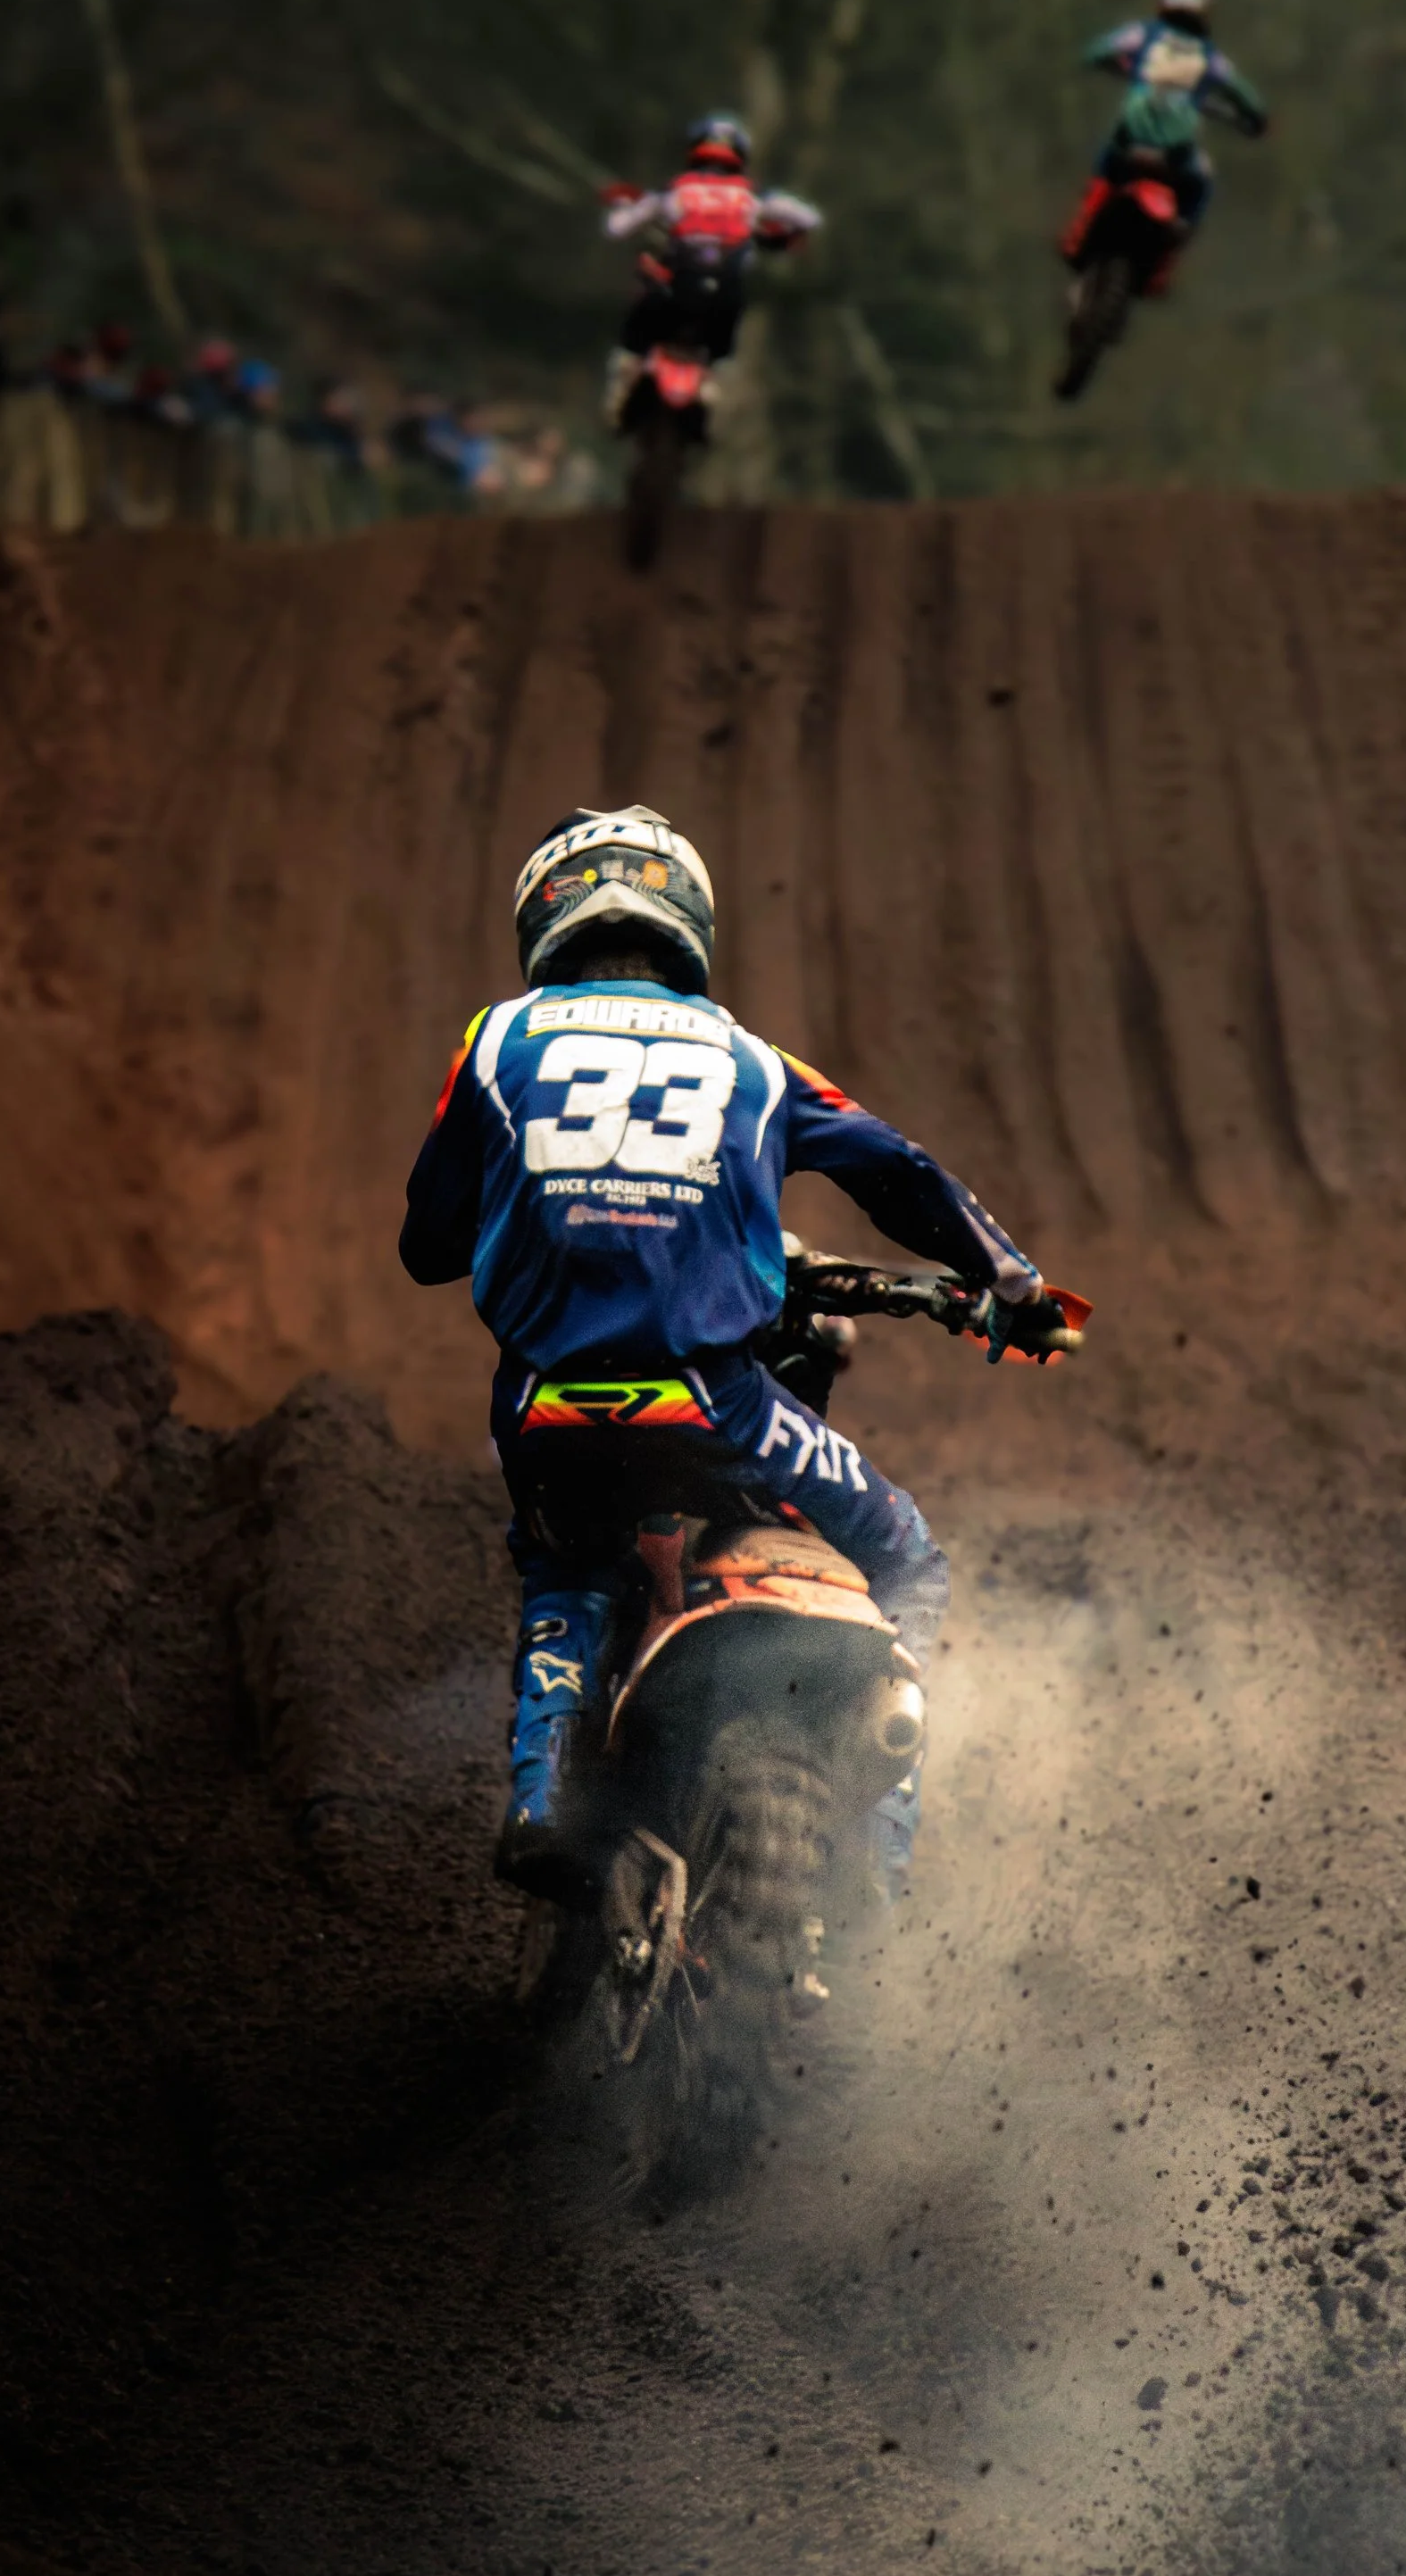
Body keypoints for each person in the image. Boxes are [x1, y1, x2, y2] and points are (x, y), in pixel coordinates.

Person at [400, 806, 1055, 1903]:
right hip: (715, 1404)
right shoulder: (750, 1058)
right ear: (686, 916)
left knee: (569, 1561)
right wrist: (1014, 1285)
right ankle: (884, 1860)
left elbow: (426, 1246)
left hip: (547, 1410)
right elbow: (895, 1169)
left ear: (547, 916)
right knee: (905, 1553)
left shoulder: (494, 1039)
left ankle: (543, 1798)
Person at [601, 113, 821, 429]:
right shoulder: (754, 199)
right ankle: (720, 398)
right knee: (724, 354)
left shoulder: (673, 193)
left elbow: (616, 228)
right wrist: (774, 231)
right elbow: (810, 219)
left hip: (673, 293)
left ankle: (619, 390)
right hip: (725, 300)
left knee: (635, 330)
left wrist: (623, 207)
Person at [1078, 0, 1269, 253]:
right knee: (1202, 185)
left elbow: (1096, 52)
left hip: (1129, 143)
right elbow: (1245, 96)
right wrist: (1257, 120)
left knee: (1107, 161)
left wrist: (1123, 68)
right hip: (1175, 157)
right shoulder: (1211, 58)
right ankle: (1176, 239)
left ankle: (1083, 222)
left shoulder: (1142, 34)